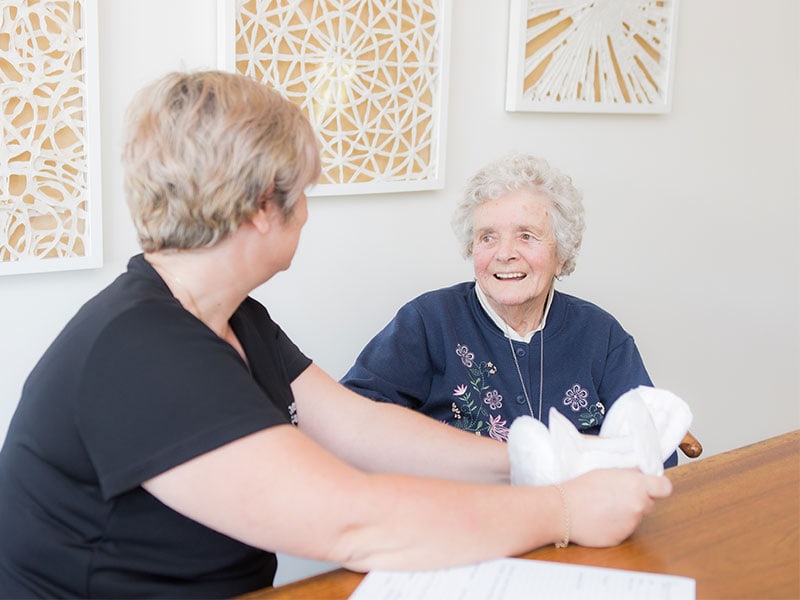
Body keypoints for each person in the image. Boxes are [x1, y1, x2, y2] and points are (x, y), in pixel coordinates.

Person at [0, 71, 671, 599]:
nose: (309, 211)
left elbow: (359, 427)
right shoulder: (141, 351)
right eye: (304, 191)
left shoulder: (230, 317)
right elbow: (356, 522)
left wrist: (534, 459)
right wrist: (562, 511)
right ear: (264, 206)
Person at [341, 153, 677, 466]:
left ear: (561, 254)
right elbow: (354, 416)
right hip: (467, 515)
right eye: (488, 237)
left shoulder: (600, 334)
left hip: (584, 516)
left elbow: (656, 447)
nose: (505, 253)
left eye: (526, 236)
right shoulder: (429, 321)